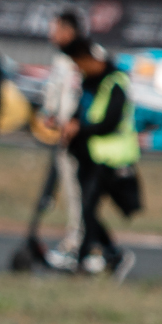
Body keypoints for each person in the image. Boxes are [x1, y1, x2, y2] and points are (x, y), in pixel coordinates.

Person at [63, 42, 138, 280]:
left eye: (81, 62)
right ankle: (111, 254)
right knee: (88, 211)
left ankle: (85, 259)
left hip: (108, 158)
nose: (79, 67)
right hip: (87, 154)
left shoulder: (115, 83)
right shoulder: (88, 82)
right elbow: (81, 112)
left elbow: (110, 122)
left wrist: (80, 129)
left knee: (88, 208)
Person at [40, 11, 86, 270]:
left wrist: (77, 123)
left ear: (68, 31)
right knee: (70, 191)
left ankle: (78, 243)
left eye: (56, 30)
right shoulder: (60, 60)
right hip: (63, 136)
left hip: (83, 137)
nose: (52, 36)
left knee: (80, 192)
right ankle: (76, 240)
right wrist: (50, 112)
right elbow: (55, 91)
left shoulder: (88, 56)